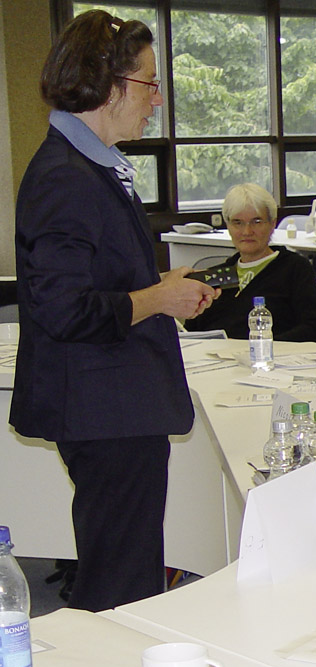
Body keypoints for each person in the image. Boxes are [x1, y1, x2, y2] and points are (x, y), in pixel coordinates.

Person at [9, 10, 217, 612]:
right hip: (105, 409)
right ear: (110, 85)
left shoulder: (93, 166)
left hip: (114, 405)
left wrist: (158, 285)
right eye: (150, 83)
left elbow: (92, 281)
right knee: (121, 581)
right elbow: (62, 308)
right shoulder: (67, 177)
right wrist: (158, 298)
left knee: (126, 568)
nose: (157, 100)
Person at [182, 183, 316, 342]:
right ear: (228, 226)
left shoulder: (295, 269)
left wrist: (259, 346)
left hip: (272, 354)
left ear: (272, 224)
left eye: (256, 221)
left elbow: (313, 330)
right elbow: (190, 333)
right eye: (238, 222)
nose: (247, 231)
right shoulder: (216, 276)